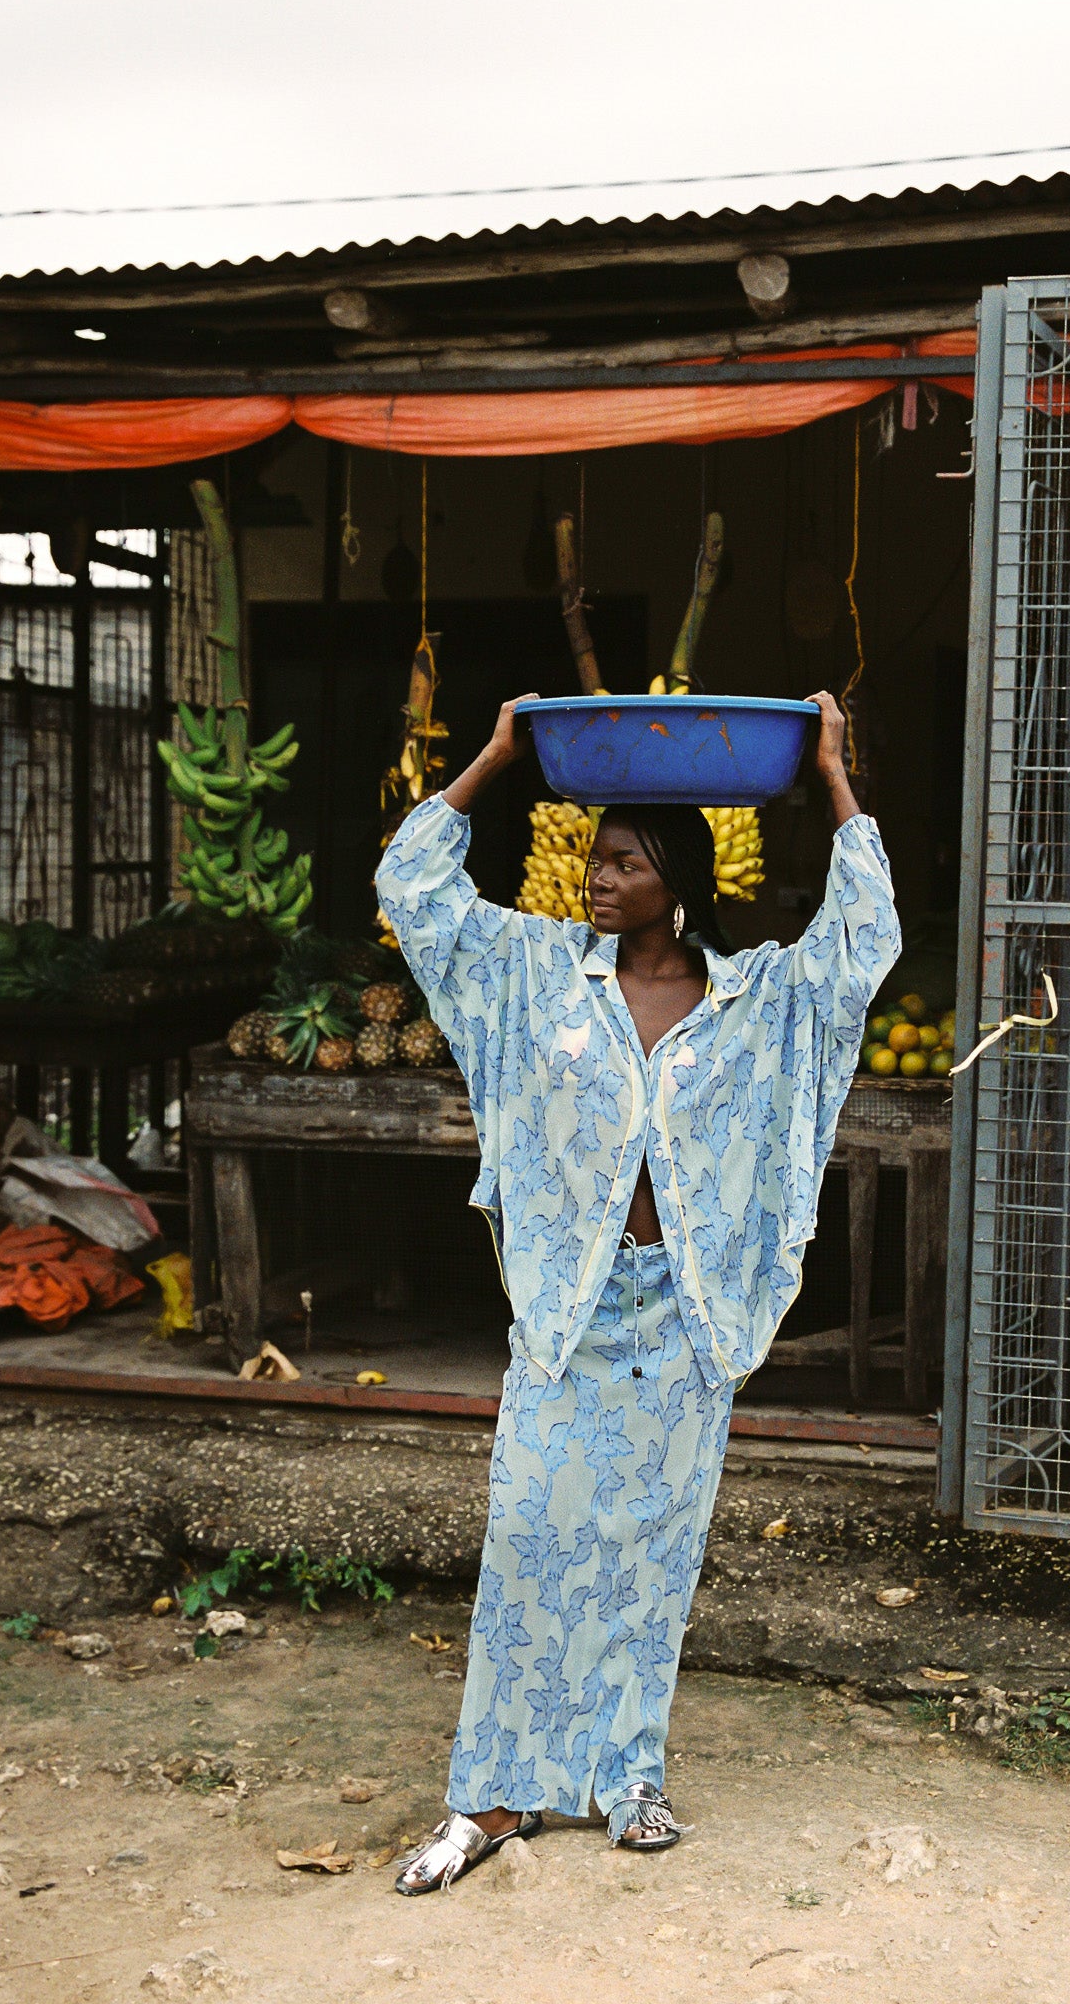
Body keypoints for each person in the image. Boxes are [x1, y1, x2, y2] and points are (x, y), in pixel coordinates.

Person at [375, 689, 900, 1892]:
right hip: (568, 1307)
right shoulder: (534, 973)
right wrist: (498, 756)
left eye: (621, 861)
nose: (595, 879)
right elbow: (414, 889)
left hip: (688, 1311)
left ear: (674, 876)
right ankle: (492, 1797)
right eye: (596, 856)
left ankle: (628, 1776)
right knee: (530, 1535)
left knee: (651, 1548)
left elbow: (860, 943)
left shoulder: (755, 997)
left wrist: (830, 773)